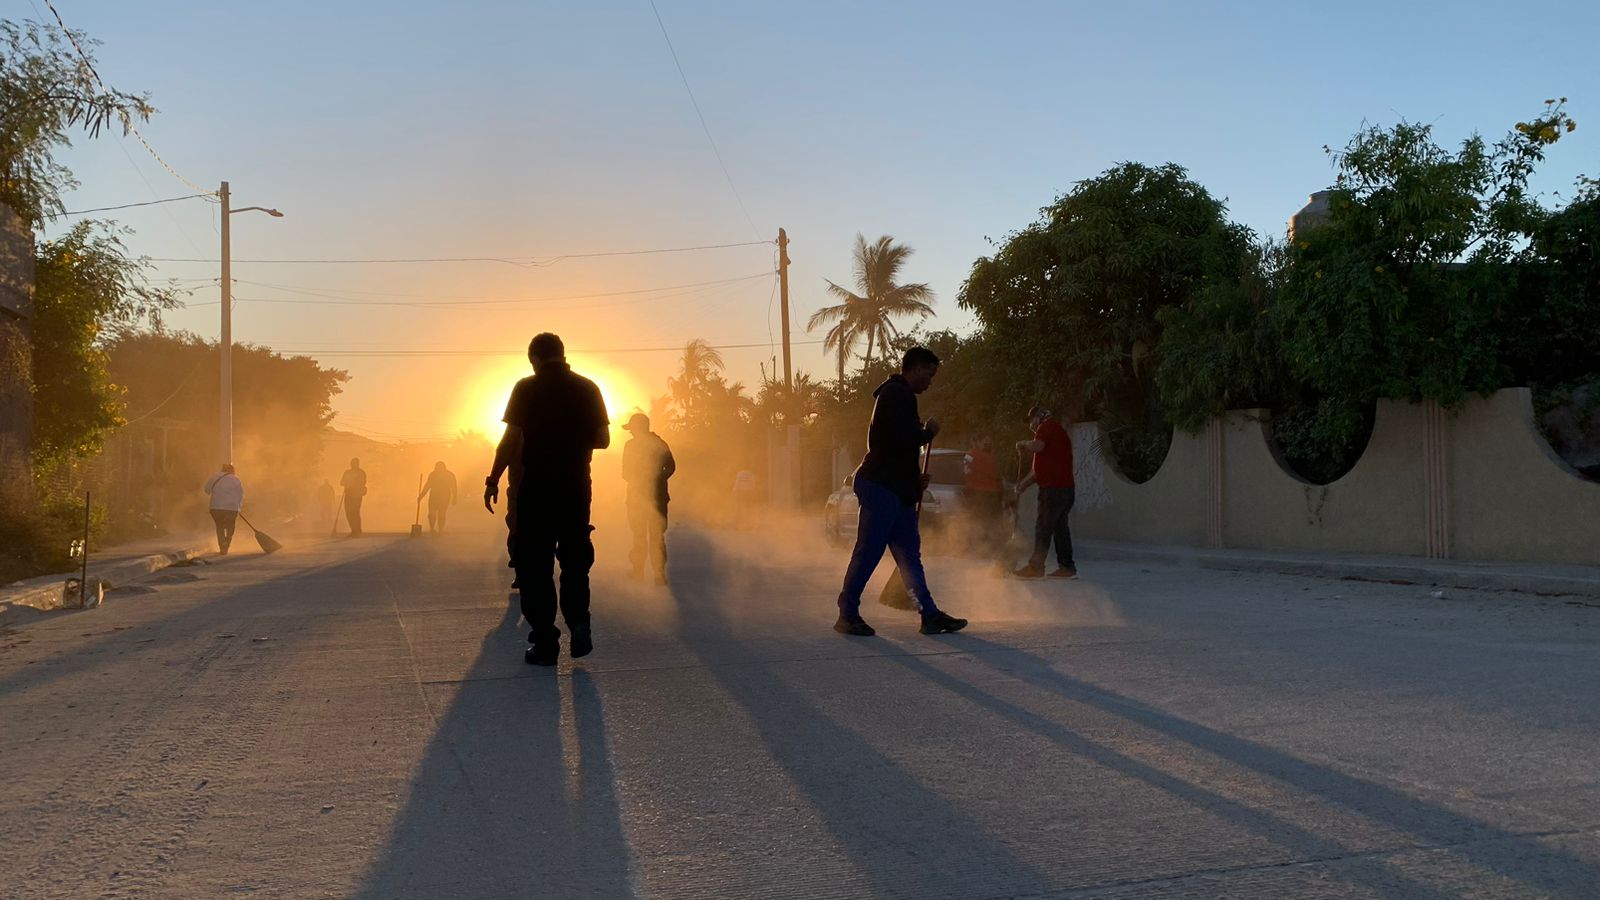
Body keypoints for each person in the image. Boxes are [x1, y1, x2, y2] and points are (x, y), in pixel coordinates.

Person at [484, 333, 610, 666]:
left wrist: (493, 478)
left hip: (536, 489)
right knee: (574, 561)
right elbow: (603, 439)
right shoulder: (588, 388)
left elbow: (510, 439)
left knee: (534, 566)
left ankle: (545, 643)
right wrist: (572, 441)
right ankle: (579, 623)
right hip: (576, 489)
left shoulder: (526, 388)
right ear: (562, 354)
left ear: (534, 359)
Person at [832, 346, 968, 637]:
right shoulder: (896, 394)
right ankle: (847, 613)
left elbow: (899, 448)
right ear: (916, 368)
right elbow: (902, 441)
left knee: (908, 555)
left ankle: (929, 614)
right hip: (881, 485)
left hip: (896, 488)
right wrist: (928, 433)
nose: (929, 382)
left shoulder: (899, 396)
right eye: (929, 375)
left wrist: (914, 481)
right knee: (869, 551)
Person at [1013, 406, 1077, 578]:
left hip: (1054, 489)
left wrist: (1024, 444)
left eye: (1031, 420)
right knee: (1059, 528)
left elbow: (1038, 446)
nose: (1031, 425)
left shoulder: (1047, 427)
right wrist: (1023, 485)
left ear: (1040, 417)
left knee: (1043, 527)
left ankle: (1036, 567)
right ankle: (1067, 567)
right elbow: (1038, 472)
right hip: (1065, 488)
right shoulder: (1055, 432)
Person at [621, 413, 676, 584]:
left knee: (639, 536)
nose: (630, 432)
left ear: (638, 428)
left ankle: (639, 573)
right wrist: (659, 478)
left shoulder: (630, 445)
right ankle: (659, 576)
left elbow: (625, 472)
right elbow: (671, 467)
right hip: (657, 498)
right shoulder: (660, 443)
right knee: (656, 537)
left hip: (638, 497)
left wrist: (643, 479)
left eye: (632, 428)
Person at [963, 436, 1008, 573]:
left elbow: (966, 472)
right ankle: (993, 549)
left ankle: (979, 549)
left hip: (978, 492)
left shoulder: (971, 455)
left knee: (978, 520)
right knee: (992, 521)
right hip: (993, 493)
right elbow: (998, 476)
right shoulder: (992, 458)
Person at [203, 463, 244, 555]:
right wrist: (238, 507)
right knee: (230, 526)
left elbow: (206, 490)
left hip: (216, 508)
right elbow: (241, 495)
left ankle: (222, 546)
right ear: (232, 470)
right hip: (231, 508)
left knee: (220, 526)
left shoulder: (215, 477)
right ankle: (227, 543)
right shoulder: (236, 479)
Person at [418, 461, 458, 534]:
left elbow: (454, 487)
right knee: (432, 513)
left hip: (444, 497)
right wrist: (421, 496)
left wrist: (455, 497)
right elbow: (427, 485)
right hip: (434, 496)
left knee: (441, 513)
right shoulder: (433, 475)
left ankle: (440, 529)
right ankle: (432, 528)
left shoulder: (448, 475)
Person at [340, 458, 368, 537]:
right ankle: (354, 530)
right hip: (349, 495)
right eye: (352, 463)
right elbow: (341, 482)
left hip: (357, 495)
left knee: (355, 512)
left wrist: (352, 483)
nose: (353, 464)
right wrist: (346, 483)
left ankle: (357, 530)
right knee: (349, 512)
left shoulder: (361, 473)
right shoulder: (347, 472)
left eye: (355, 463)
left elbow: (363, 482)